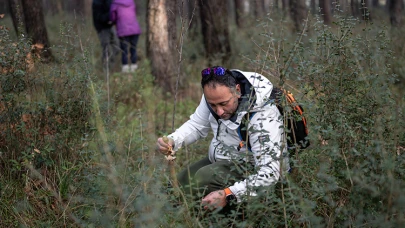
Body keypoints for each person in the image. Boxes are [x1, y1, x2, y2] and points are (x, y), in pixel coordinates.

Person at [156, 66, 289, 211]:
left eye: (224, 104)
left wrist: (228, 194)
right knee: (179, 184)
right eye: (213, 105)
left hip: (253, 168)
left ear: (237, 90)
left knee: (202, 179)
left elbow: (270, 173)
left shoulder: (263, 116)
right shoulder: (215, 95)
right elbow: (197, 125)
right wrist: (173, 140)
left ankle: (231, 218)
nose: (219, 111)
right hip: (224, 159)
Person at [110, 0, 142, 73]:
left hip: (123, 30)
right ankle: (134, 67)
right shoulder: (131, 2)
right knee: (133, 48)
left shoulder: (115, 3)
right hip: (135, 29)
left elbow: (112, 17)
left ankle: (125, 68)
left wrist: (114, 21)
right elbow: (134, 12)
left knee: (124, 50)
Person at [92, 0, 119, 71]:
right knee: (106, 48)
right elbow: (99, 17)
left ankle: (111, 65)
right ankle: (106, 69)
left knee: (117, 46)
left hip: (110, 26)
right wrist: (111, 15)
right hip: (102, 28)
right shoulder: (97, 2)